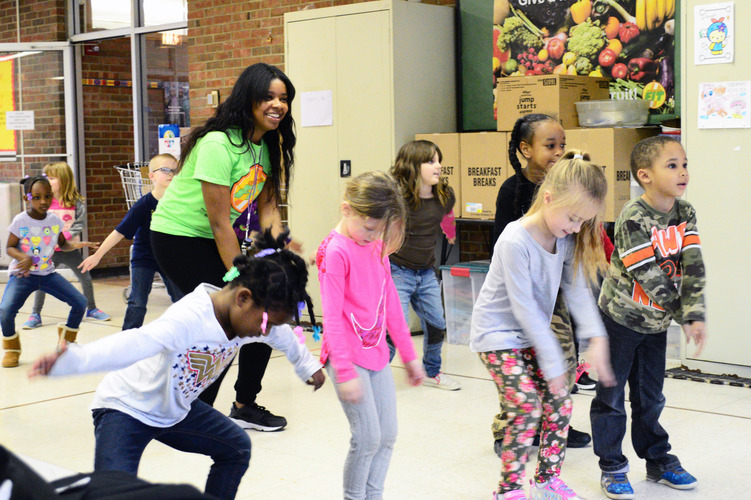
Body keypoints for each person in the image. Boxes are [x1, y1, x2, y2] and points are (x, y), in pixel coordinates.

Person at [28, 233, 326, 500]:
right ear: (243, 298)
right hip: (125, 408)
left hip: (175, 410)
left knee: (237, 448)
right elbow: (135, 343)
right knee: (112, 490)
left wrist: (307, 365)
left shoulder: (250, 317)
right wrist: (72, 360)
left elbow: (284, 335)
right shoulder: (190, 318)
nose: (265, 332)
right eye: (266, 323)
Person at [150, 62, 299, 431]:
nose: (277, 105)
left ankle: (244, 404)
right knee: (227, 316)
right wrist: (238, 274)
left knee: (266, 310)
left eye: (283, 99)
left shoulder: (264, 147)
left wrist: (278, 251)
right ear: (248, 99)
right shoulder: (218, 143)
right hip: (178, 237)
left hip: (212, 238)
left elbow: (267, 208)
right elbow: (219, 221)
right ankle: (191, 409)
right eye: (268, 97)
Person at [474, 153, 615, 500]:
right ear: (549, 198)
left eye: (584, 221)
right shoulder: (514, 241)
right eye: (573, 217)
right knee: (525, 405)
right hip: (496, 336)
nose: (577, 227)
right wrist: (553, 362)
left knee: (560, 401)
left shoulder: (564, 237)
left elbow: (578, 292)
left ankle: (547, 480)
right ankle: (507, 491)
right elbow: (525, 309)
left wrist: (596, 338)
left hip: (529, 334)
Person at [591, 136, 707, 500]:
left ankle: (657, 460)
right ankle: (612, 466)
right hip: (620, 321)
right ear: (645, 175)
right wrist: (682, 315)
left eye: (684, 163)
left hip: (656, 324)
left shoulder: (685, 213)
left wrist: (695, 313)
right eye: (672, 165)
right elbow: (648, 274)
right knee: (610, 397)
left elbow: (693, 265)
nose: (683, 171)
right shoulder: (632, 216)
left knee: (650, 397)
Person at [316, 171, 426, 499]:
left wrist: (408, 355)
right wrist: (345, 372)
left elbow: (390, 301)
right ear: (346, 209)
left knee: (387, 435)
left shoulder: (375, 245)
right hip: (346, 357)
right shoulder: (335, 252)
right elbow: (332, 317)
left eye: (379, 230)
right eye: (368, 227)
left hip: (375, 353)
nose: (372, 236)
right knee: (366, 439)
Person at [491, 113, 593, 450]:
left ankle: (556, 424)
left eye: (562, 145)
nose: (558, 152)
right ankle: (509, 428)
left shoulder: (567, 187)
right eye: (550, 146)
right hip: (522, 293)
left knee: (563, 361)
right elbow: (502, 247)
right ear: (525, 148)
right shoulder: (512, 190)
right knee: (520, 367)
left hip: (556, 293)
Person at [1, 175, 98, 368]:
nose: (43, 201)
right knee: (5, 311)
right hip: (23, 275)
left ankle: (66, 344)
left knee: (80, 302)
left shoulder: (54, 220)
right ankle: (11, 348)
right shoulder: (20, 220)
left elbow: (63, 244)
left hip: (47, 275)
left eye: (47, 196)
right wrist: (23, 257)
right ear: (26, 198)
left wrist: (81, 245)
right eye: (36, 197)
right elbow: (10, 247)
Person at [387, 140, 460, 390]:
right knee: (395, 327)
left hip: (426, 270)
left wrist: (449, 231)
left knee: (437, 323)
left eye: (439, 160)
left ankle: (432, 371)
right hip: (397, 269)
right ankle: (376, 374)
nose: (438, 166)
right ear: (412, 166)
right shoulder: (396, 198)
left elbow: (447, 215)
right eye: (431, 161)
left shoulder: (444, 195)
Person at [79, 154, 182, 330]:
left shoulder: (180, 202)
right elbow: (119, 232)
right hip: (144, 258)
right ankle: (128, 337)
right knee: (138, 302)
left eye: (175, 170)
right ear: (151, 176)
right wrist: (97, 255)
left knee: (182, 299)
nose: (171, 174)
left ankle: (186, 338)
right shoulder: (144, 205)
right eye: (165, 170)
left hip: (169, 258)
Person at [24, 162, 110, 329]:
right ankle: (35, 314)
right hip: (48, 252)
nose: (47, 181)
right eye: (45, 177)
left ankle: (91, 309)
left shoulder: (75, 202)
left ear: (63, 180)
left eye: (51, 178)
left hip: (69, 250)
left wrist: (66, 237)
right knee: (41, 280)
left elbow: (80, 223)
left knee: (85, 276)